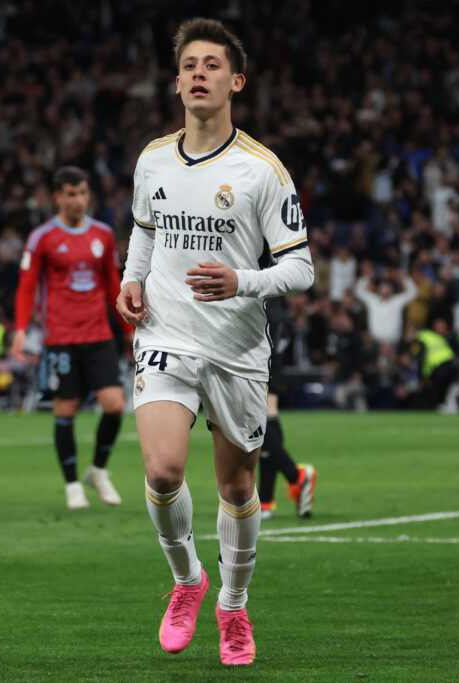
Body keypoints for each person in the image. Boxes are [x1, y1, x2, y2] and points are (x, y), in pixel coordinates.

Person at [115, 18, 313, 666]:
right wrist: (130, 279)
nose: (199, 73)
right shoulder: (152, 158)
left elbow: (301, 267)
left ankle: (232, 602)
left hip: (235, 346)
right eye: (189, 65)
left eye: (212, 65)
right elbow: (145, 229)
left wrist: (242, 280)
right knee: (163, 469)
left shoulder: (262, 170)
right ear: (176, 82)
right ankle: (187, 581)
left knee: (236, 489)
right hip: (166, 333)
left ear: (236, 80)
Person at [12, 166, 128, 510]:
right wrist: (20, 330)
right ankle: (72, 484)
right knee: (67, 408)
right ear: (58, 197)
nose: (79, 200)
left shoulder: (104, 235)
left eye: (83, 193)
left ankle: (98, 470)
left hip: (98, 334)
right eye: (71, 194)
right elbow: (27, 287)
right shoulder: (42, 238)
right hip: (60, 336)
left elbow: (113, 286)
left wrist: (129, 331)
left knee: (115, 406)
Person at [259, 297, 316, 520]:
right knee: (266, 420)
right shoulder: (281, 314)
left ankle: (297, 476)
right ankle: (265, 500)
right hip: (271, 370)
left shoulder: (267, 311)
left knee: (255, 427)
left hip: (259, 368)